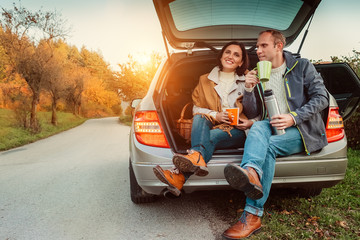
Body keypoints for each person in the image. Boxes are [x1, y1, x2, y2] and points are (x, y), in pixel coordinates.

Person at [221, 30, 329, 239]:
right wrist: (250, 89)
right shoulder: (259, 72)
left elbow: (321, 98)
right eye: (257, 46)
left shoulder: (302, 66)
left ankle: (252, 215)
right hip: (271, 125)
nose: (257, 50)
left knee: (268, 146)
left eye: (263, 46)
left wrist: (294, 117)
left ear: (278, 46)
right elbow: (255, 114)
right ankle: (251, 172)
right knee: (258, 126)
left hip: (302, 130)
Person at [153, 41, 263, 197]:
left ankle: (181, 174)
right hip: (210, 124)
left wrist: (249, 94)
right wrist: (216, 115)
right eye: (228, 52)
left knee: (210, 138)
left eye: (236, 54)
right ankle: (196, 159)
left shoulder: (248, 79)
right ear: (221, 55)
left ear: (241, 62)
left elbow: (259, 112)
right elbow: (195, 108)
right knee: (199, 116)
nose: (231, 56)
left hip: (237, 129)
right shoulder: (204, 79)